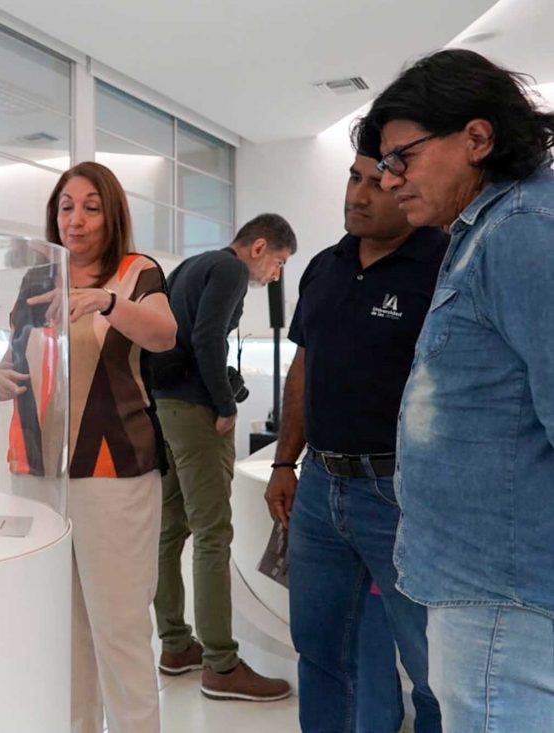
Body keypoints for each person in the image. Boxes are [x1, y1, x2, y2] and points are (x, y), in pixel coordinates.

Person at [352, 49, 554, 730]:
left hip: (505, 593)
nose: (389, 179)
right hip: (485, 583)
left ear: (476, 138)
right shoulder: (483, 231)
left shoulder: (522, 232)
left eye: (402, 157)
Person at [264, 151, 446, 732]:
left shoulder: (443, 264)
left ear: (408, 190)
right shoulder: (325, 266)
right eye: (354, 178)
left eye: (378, 184)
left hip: (401, 493)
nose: (359, 195)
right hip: (320, 488)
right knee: (320, 653)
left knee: (433, 671)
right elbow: (305, 366)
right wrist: (284, 463)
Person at [0, 161, 176, 733]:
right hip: (37, 471)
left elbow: (164, 335)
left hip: (112, 473)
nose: (75, 219)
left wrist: (106, 302)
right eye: (66, 207)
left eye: (91, 207)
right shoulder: (36, 278)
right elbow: (15, 356)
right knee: (61, 632)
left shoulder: (135, 272)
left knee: (118, 630)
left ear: (112, 213)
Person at [152, 214, 295, 701]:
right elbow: (208, 338)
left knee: (171, 530)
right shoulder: (230, 270)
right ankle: (221, 663)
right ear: (258, 247)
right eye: (278, 262)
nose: (275, 274)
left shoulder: (191, 266)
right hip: (195, 411)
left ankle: (175, 645)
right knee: (212, 534)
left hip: (164, 406)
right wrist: (226, 404)